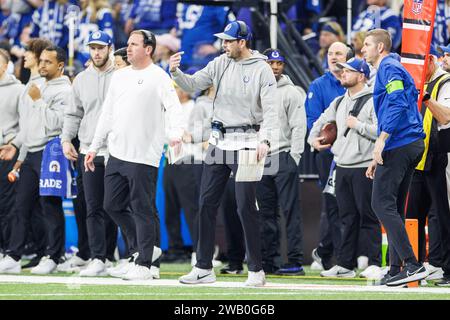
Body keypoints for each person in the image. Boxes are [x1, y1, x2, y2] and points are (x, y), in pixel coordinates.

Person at [170, 20, 278, 287]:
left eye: (229, 41)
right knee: (206, 203)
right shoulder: (220, 62)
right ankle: (203, 266)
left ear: (243, 42)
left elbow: (272, 110)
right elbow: (194, 83)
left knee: (245, 207)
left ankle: (256, 269)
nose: (224, 44)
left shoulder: (262, 70)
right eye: (224, 40)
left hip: (248, 141)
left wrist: (266, 139)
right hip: (219, 142)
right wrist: (175, 72)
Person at [84, 29, 181, 280]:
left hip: (143, 155)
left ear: (148, 49)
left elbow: (173, 107)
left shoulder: (158, 77)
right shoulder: (120, 76)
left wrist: (176, 134)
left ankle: (145, 264)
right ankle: (143, 249)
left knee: (142, 209)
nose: (128, 48)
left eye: (134, 44)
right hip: (116, 153)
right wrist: (95, 146)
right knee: (111, 205)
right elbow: (107, 113)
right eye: (127, 44)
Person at [362, 29, 428, 286]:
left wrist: (381, 140)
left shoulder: (389, 67)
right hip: (406, 144)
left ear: (380, 48)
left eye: (367, 45)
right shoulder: (391, 68)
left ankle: (412, 265)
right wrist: (378, 153)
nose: (363, 49)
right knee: (394, 208)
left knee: (381, 204)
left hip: (401, 143)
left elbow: (398, 103)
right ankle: (395, 269)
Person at [0, 45, 72, 275]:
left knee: (49, 205)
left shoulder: (66, 91)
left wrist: (39, 101)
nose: (41, 65)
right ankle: (13, 255)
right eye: (40, 61)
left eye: (47, 62)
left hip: (51, 151)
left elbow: (56, 124)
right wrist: (18, 151)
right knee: (20, 205)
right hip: (30, 152)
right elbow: (29, 126)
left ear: (60, 65)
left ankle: (54, 255)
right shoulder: (37, 86)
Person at [309, 57, 382, 279]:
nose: (342, 74)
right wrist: (313, 139)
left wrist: (357, 125)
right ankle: (345, 264)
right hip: (341, 165)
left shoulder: (372, 100)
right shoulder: (339, 102)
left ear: (361, 76)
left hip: (363, 165)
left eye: (348, 72)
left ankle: (375, 262)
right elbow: (320, 121)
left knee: (368, 216)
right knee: (346, 217)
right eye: (342, 71)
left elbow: (381, 131)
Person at [61, 31, 119, 276]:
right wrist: (66, 139)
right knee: (92, 206)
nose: (96, 52)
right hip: (88, 149)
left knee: (114, 206)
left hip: (116, 149)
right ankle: (98, 257)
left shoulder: (122, 76)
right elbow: (73, 113)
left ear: (110, 48)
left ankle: (110, 254)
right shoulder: (81, 79)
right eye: (93, 48)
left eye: (101, 48)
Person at [256, 48, 306, 276]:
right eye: (271, 63)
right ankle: (269, 261)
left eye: (279, 63)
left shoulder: (291, 92)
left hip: (283, 155)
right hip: (261, 158)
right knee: (266, 213)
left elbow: (299, 126)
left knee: (289, 211)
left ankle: (294, 260)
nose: (276, 67)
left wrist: (294, 157)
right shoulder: (256, 89)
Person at [405, 49, 450, 287]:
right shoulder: (414, 81)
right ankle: (414, 265)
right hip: (417, 158)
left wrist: (426, 98)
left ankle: (444, 266)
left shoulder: (446, 82)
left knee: (442, 214)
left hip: (441, 155)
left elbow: (445, 117)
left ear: (431, 60)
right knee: (412, 215)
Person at [305, 41, 349, 271]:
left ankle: (325, 250)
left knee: (351, 204)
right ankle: (337, 257)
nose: (333, 56)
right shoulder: (318, 85)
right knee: (333, 203)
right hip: (328, 153)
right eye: (331, 53)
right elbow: (313, 120)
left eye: (339, 53)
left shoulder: (356, 82)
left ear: (348, 57)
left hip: (354, 153)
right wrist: (324, 138)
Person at [0, 48, 24, 259]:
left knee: (8, 202)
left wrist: (14, 142)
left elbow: (25, 122)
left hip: (8, 152)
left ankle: (7, 248)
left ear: (7, 64)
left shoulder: (18, 89)